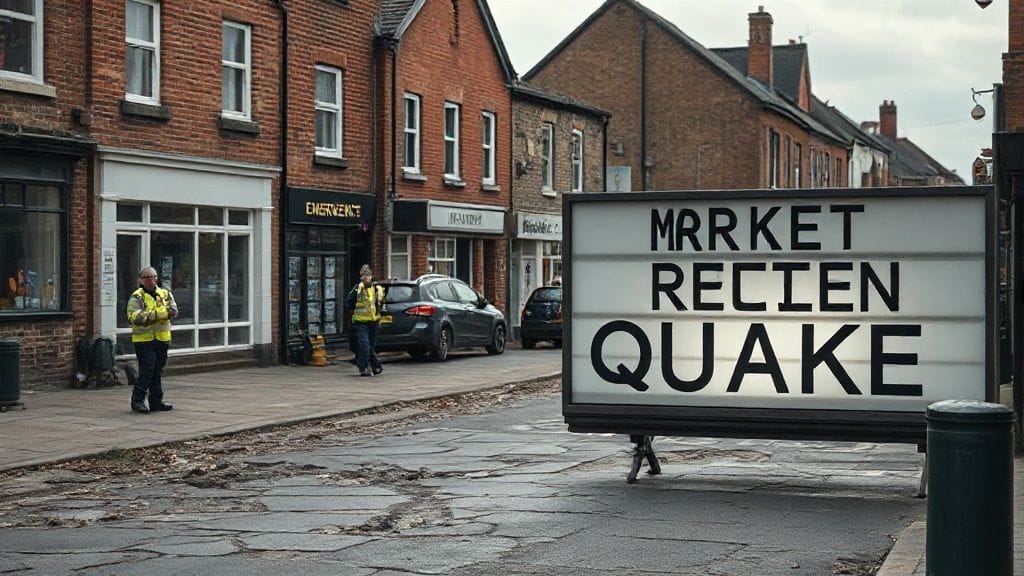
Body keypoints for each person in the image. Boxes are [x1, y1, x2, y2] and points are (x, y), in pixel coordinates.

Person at [126, 266, 178, 413]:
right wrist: (160, 313)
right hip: (144, 340)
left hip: (162, 339)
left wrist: (151, 315)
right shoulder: (137, 297)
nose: (151, 280)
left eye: (153, 276)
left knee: (157, 370)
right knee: (147, 369)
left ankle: (156, 400)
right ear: (141, 280)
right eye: (147, 277)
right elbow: (135, 317)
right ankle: (137, 400)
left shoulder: (165, 293)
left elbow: (173, 310)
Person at [345, 264, 384, 377]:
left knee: (370, 348)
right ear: (360, 277)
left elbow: (380, 304)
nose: (365, 277)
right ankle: (363, 367)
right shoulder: (357, 289)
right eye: (363, 275)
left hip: (374, 323)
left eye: (367, 275)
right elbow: (348, 303)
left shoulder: (378, 289)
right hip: (360, 323)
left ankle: (376, 366)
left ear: (371, 276)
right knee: (364, 345)